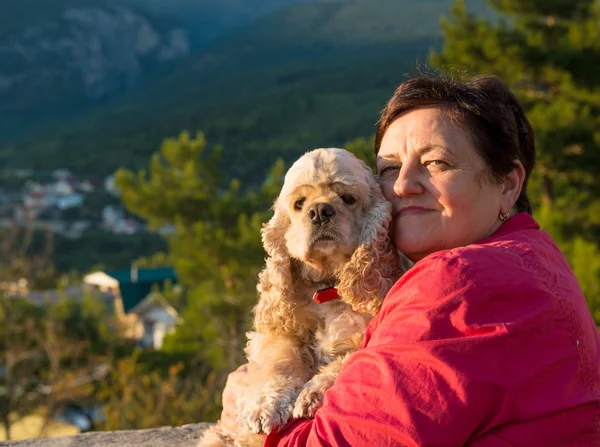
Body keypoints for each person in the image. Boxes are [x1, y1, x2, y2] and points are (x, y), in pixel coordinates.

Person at [218, 74, 600, 446]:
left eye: (437, 163)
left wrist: (245, 417)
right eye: (389, 169)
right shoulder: (533, 252)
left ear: (508, 184)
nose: (403, 185)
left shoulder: (457, 282)